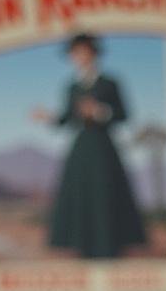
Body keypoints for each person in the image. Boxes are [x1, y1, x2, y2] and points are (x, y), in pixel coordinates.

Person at [31, 33, 146, 259]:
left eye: (83, 52)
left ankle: (110, 243)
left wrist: (100, 112)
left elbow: (123, 115)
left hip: (102, 145)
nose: (79, 57)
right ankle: (81, 245)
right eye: (75, 53)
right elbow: (66, 119)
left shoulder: (109, 83)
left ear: (94, 52)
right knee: (81, 191)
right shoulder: (72, 86)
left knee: (104, 191)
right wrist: (49, 117)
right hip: (81, 146)